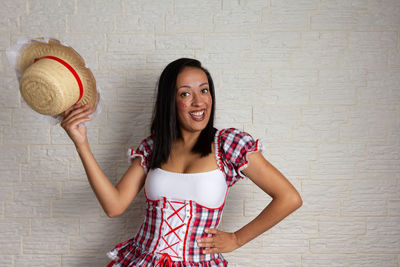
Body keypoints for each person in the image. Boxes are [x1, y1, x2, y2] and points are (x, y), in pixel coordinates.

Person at [61, 58, 302, 267]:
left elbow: (289, 198)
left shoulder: (228, 145)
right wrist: (81, 143)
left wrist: (237, 239)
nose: (199, 102)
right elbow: (114, 206)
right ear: (170, 101)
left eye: (204, 90)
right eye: (185, 93)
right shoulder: (154, 147)